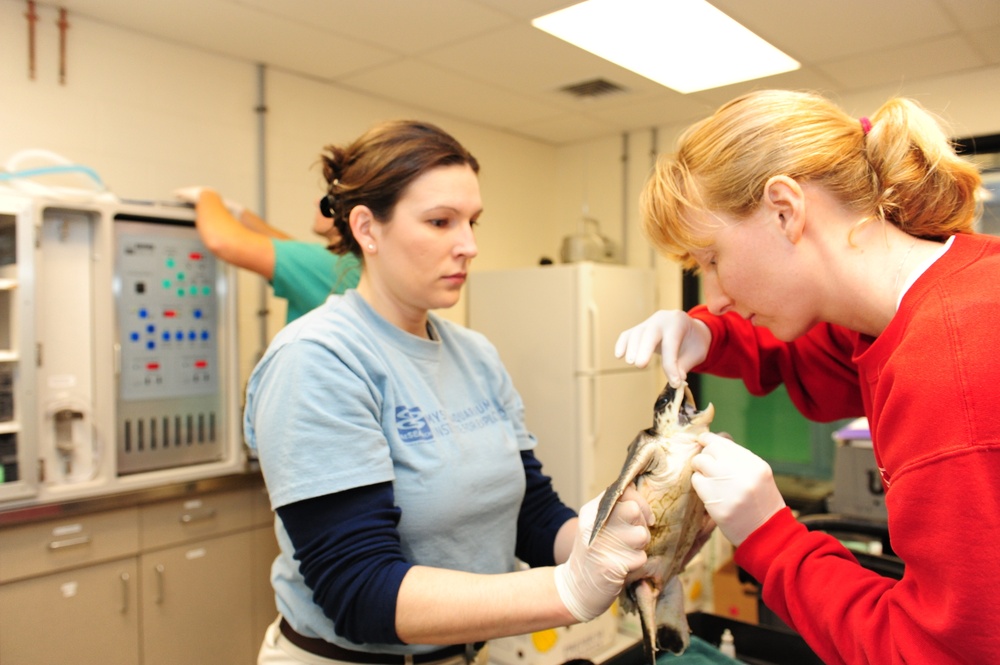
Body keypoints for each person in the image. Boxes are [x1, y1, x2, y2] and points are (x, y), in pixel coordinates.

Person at [242, 119, 654, 665]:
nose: (469, 246)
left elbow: (529, 516)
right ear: (367, 228)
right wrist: (569, 590)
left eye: (472, 222)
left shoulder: (475, 353)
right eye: (440, 222)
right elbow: (359, 592)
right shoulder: (318, 359)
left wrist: (607, 540)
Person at [614, 88, 1000, 663]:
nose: (712, 298)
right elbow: (813, 361)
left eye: (712, 260)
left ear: (785, 210)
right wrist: (710, 337)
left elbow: (934, 651)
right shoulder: (948, 292)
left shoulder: (952, 365)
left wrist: (769, 534)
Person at [174, 186, 361, 322]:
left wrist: (207, 195)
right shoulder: (351, 263)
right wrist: (240, 213)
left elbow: (222, 241)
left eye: (328, 196)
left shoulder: (330, 264)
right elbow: (288, 246)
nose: (316, 202)